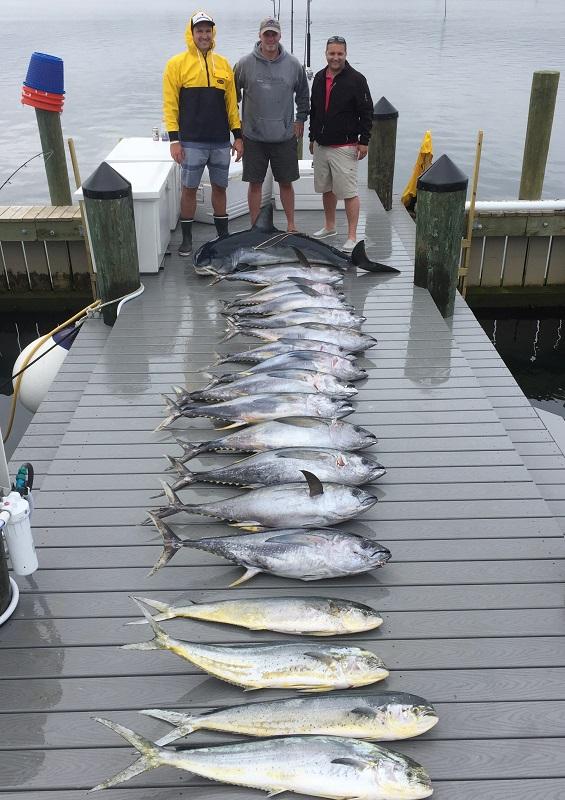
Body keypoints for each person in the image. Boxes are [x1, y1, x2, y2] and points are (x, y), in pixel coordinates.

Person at [163, 10, 244, 257]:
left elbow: (232, 104)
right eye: (199, 30)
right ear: (192, 33)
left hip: (220, 141)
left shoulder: (223, 64)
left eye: (208, 30)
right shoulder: (176, 64)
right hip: (191, 142)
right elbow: (170, 104)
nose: (204, 35)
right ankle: (187, 240)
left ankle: (222, 236)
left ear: (213, 33)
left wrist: (238, 136)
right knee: (189, 189)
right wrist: (174, 140)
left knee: (220, 188)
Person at [234, 17, 309, 232]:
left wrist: (300, 118)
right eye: (266, 33)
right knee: (254, 184)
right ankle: (256, 228)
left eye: (273, 34)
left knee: (286, 183)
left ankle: (291, 225)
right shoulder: (244, 63)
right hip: (253, 137)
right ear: (260, 36)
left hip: (284, 137)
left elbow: (303, 94)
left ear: (279, 36)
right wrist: (236, 128)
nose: (270, 38)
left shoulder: (293, 64)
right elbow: (232, 96)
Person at [309, 35, 373, 253]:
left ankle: (352, 236)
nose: (335, 57)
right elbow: (314, 111)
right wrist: (311, 137)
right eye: (331, 53)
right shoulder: (318, 77)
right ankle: (330, 226)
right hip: (321, 145)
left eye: (339, 54)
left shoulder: (357, 80)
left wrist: (364, 141)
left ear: (346, 54)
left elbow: (367, 112)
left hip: (345, 147)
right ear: (325, 54)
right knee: (326, 189)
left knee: (348, 192)